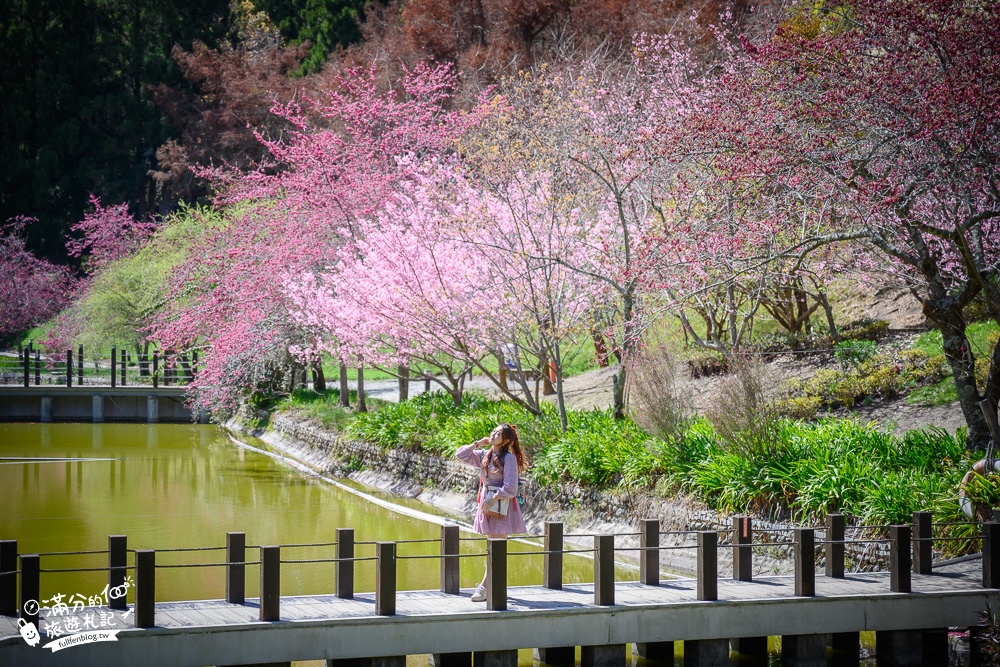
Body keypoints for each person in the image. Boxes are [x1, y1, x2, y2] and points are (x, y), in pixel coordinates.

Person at [455, 423, 528, 602]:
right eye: (493, 431)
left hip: (500, 507)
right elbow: (461, 454)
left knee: (495, 548)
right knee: (492, 548)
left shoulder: (508, 458)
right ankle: (494, 587)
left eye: (498, 433)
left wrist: (493, 497)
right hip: (487, 505)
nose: (494, 434)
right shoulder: (484, 454)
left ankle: (484, 588)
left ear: (506, 440)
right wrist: (478, 444)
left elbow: (511, 487)